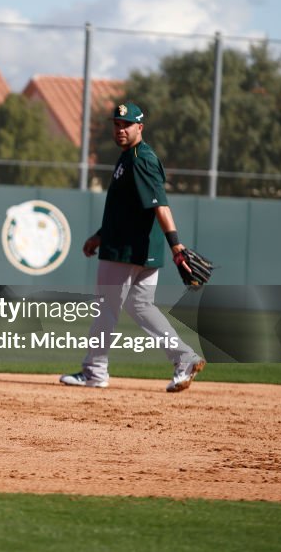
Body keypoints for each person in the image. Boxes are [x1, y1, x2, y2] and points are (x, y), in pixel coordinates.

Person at [60, 102, 206, 392]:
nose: (121, 129)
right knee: (141, 306)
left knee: (106, 308)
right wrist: (100, 235)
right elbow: (126, 210)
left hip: (127, 251)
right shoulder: (130, 157)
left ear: (140, 127)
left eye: (126, 124)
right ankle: (184, 358)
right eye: (117, 124)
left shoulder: (141, 159)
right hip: (134, 249)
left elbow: (160, 205)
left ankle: (94, 371)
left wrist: (176, 245)